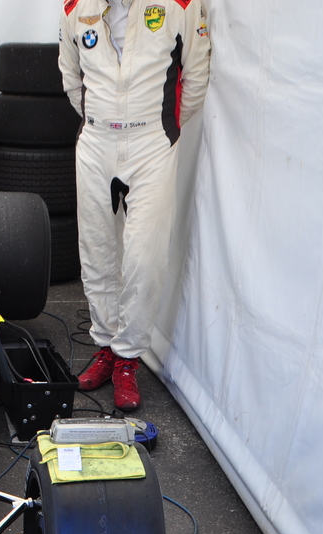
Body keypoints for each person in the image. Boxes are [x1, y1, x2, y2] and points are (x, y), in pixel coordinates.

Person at [59, 0, 210, 409]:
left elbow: (196, 75)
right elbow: (71, 78)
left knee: (145, 253)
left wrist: (164, 126)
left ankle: (128, 358)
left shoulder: (179, 5)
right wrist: (101, 122)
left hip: (150, 142)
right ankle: (106, 346)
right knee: (97, 250)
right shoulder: (75, 8)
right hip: (96, 141)